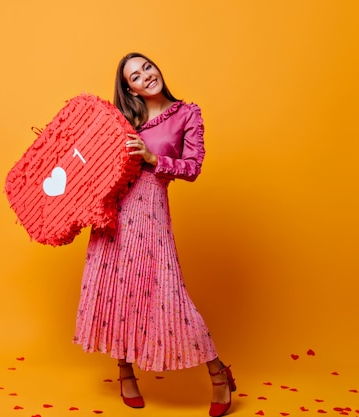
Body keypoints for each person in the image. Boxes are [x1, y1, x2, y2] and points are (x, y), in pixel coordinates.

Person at [72, 52, 236, 417]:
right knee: (116, 290)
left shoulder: (186, 113)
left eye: (147, 67)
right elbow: (93, 164)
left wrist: (152, 158)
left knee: (167, 291)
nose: (145, 76)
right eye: (135, 75)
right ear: (128, 88)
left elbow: (193, 167)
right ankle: (125, 372)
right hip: (113, 213)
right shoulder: (122, 120)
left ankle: (219, 374)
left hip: (151, 210)